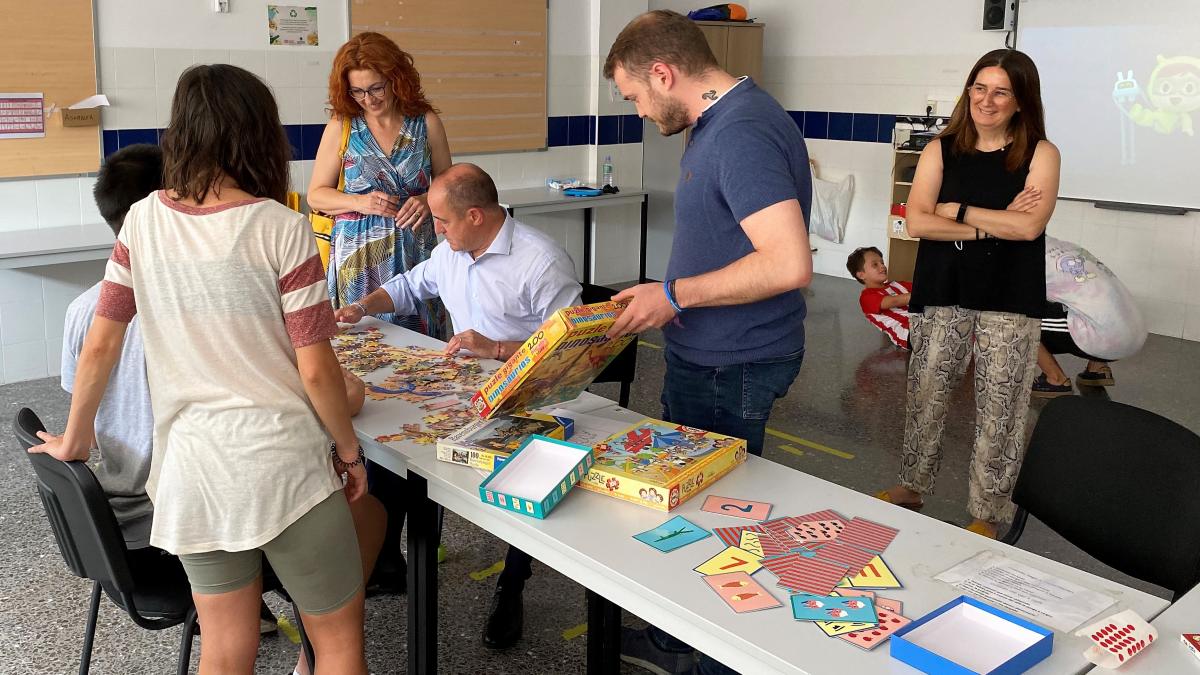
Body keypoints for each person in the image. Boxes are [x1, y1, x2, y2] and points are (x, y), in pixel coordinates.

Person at [33, 64, 369, 673]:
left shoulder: (141, 222)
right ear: (258, 133)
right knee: (337, 640)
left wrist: (77, 437)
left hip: (192, 473)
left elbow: (102, 345)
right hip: (283, 467)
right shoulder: (282, 229)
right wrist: (348, 453)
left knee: (224, 644)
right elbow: (317, 372)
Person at [601, 10, 812, 675]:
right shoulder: (715, 124)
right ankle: (676, 640)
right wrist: (662, 291)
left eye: (635, 95)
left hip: (734, 363)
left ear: (664, 73)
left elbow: (787, 263)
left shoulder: (741, 133)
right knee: (695, 512)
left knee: (724, 522)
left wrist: (675, 296)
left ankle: (716, 659)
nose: (638, 110)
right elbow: (724, 241)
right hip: (709, 355)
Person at [334, 163, 581, 651]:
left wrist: (496, 348)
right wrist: (362, 307)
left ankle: (511, 584)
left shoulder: (541, 259)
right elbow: (408, 286)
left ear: (474, 215)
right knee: (386, 450)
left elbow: (568, 346)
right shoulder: (451, 250)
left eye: (442, 221)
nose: (436, 230)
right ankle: (387, 560)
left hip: (530, 394)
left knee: (518, 481)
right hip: (463, 390)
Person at [876, 49, 1062, 541]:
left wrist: (956, 210)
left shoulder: (1041, 154)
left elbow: (1029, 228)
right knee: (927, 390)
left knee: (1002, 403)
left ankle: (989, 509)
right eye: (979, 88)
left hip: (1010, 290)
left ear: (1021, 100)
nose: (987, 100)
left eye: (1001, 91)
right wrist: (991, 223)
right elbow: (915, 220)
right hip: (944, 287)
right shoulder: (941, 149)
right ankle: (913, 485)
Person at [307, 30, 453, 595]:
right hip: (359, 258)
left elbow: (450, 182)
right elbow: (316, 192)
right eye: (360, 91)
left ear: (399, 77)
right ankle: (373, 528)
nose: (371, 99)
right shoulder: (342, 128)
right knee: (366, 375)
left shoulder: (427, 123)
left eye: (378, 87)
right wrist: (359, 201)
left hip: (417, 253)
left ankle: (422, 517)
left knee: (422, 380)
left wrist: (427, 197)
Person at [1032, 235, 1146, 397]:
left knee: (1012, 319)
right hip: (1135, 330)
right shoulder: (1059, 246)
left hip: (1110, 339)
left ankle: (1055, 379)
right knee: (1085, 299)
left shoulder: (1022, 255)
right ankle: (1097, 368)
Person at [847, 246, 913, 349]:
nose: (882, 266)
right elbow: (894, 301)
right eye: (875, 265)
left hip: (920, 323)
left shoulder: (896, 284)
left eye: (882, 263)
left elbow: (921, 287)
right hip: (907, 334)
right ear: (861, 275)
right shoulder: (866, 298)